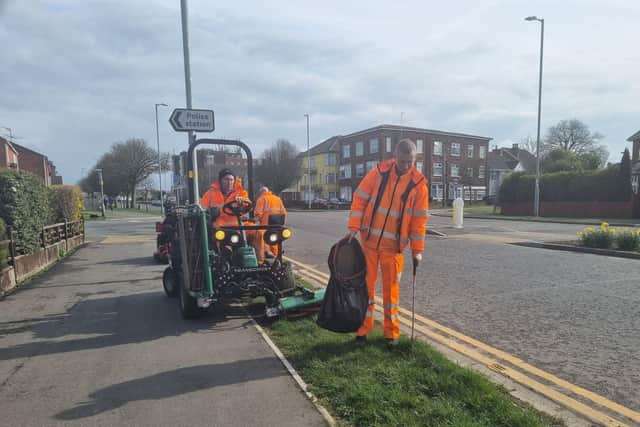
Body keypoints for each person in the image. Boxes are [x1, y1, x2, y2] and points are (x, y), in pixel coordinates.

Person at [345, 138, 429, 348]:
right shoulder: (378, 174)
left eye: (410, 162)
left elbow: (419, 221)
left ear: (415, 159)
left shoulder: (419, 186)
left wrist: (417, 251)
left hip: (394, 249)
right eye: (402, 161)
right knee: (367, 289)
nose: (406, 166)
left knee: (391, 293)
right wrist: (354, 227)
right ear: (395, 157)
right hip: (370, 243)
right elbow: (359, 199)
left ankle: (391, 335)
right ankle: (362, 331)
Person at [254, 186, 287, 261]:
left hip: (265, 225)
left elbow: (258, 214)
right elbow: (284, 212)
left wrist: (255, 220)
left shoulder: (261, 199)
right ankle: (276, 258)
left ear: (261, 192)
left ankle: (265, 256)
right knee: (275, 241)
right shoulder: (277, 199)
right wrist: (282, 224)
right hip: (277, 225)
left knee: (264, 240)